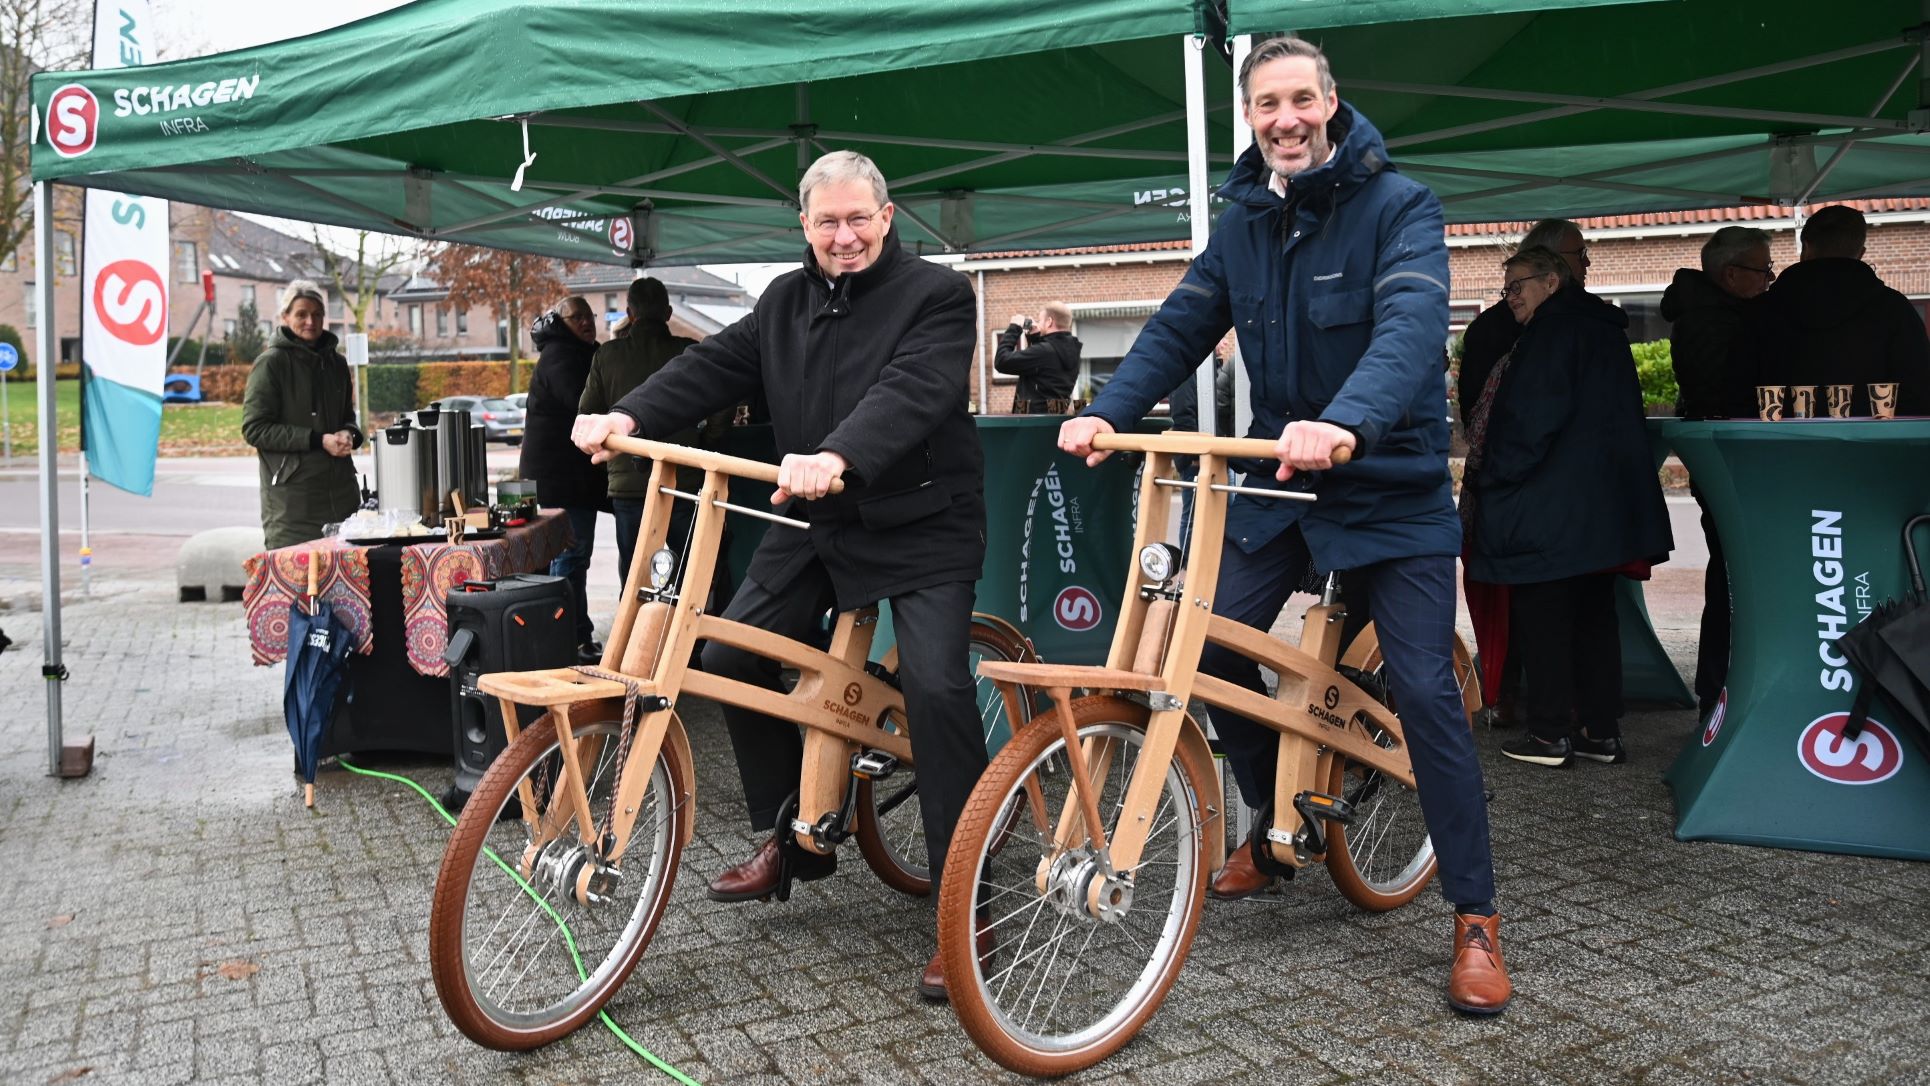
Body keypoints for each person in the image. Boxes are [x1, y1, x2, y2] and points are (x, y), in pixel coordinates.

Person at [1057, 35, 1512, 1017]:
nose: (1286, 119)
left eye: (1300, 100)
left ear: (1332, 103)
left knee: (1427, 691)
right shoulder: (1245, 220)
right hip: (1281, 481)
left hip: (1388, 485)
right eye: (1267, 105)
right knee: (1207, 638)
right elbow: (1182, 323)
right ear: (1251, 117)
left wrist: (1345, 422)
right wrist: (1110, 408)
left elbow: (1407, 330)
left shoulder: (1402, 208)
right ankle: (1272, 824)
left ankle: (1473, 915)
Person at [571, 150, 989, 1001]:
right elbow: (712, 367)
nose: (844, 237)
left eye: (857, 220)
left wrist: (840, 453)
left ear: (886, 216)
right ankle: (794, 834)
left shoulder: (938, 296)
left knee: (941, 692)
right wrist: (627, 412)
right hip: (815, 516)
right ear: (804, 226)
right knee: (728, 659)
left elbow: (915, 391)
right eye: (827, 222)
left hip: (921, 520)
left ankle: (963, 901)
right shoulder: (783, 301)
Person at [1462, 247, 1673, 770]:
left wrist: (1494, 478)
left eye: (1516, 286)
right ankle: (1601, 733)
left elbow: (1530, 422)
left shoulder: (1550, 335)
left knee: (1546, 619)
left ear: (1550, 283)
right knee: (1595, 619)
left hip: (1549, 508)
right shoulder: (1603, 329)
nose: (1509, 298)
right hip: (1600, 510)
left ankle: (1550, 734)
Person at [1453, 219, 1602, 725]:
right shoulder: (1531, 329)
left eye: (1515, 288)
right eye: (1579, 256)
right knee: (1546, 608)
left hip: (1540, 497)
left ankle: (1550, 720)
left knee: (1554, 610)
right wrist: (1497, 476)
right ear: (1554, 269)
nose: (1586, 264)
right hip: (1539, 496)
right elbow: (1499, 420)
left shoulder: (1557, 327)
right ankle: (1562, 719)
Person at [1661, 225, 1772, 719]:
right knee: (1730, 575)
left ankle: (1719, 684)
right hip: (1735, 465)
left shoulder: (1711, 313)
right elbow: (1718, 397)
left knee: (1727, 572)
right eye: (1762, 270)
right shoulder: (1714, 319)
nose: (1770, 278)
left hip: (1728, 466)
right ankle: (1717, 687)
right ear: (1731, 274)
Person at [1733, 204, 1930, 417]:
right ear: (1861, 253)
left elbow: (1737, 397)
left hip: (1777, 445)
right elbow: (1918, 394)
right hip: (1875, 446)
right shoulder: (1895, 310)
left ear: (1805, 248)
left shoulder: (1758, 313)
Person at [579, 278, 700, 592]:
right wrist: (706, 440)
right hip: (683, 477)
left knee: (635, 577)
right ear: (669, 313)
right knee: (686, 575)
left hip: (629, 481)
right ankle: (684, 641)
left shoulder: (607, 355)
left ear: (629, 314)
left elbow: (588, 413)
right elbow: (721, 408)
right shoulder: (687, 353)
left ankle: (634, 638)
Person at [242, 279, 363, 550]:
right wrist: (318, 440)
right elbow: (254, 429)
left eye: (317, 314)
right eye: (301, 314)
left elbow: (348, 417)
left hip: (343, 497)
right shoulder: (271, 363)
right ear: (285, 317)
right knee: (298, 587)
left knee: (348, 584)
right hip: (293, 507)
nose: (311, 321)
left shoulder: (337, 364)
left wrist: (349, 433)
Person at [522, 295, 608, 662]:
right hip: (563, 478)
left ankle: (570, 634)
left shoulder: (574, 352)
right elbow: (582, 404)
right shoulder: (562, 356)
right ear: (561, 321)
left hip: (566, 477)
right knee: (571, 557)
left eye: (589, 316)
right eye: (577, 317)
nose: (586, 322)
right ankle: (570, 637)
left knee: (571, 556)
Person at [1455, 219, 1593, 428]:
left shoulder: (1580, 321)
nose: (1587, 263)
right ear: (1550, 263)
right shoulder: (1494, 331)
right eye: (1581, 254)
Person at [994, 301, 1082, 412]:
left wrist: (1014, 328)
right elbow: (1042, 375)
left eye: (1040, 320)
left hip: (1029, 423)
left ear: (1049, 322)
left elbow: (1001, 361)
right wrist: (1035, 339)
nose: (1038, 323)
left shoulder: (1044, 352)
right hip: (1052, 419)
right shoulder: (1072, 350)